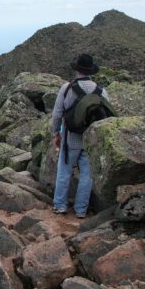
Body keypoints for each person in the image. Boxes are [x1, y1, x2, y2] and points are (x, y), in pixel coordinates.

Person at [50, 54, 108, 218]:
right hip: (91, 141)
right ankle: (81, 210)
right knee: (87, 176)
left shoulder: (67, 88)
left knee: (64, 172)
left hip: (70, 139)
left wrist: (56, 133)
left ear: (77, 70)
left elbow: (57, 114)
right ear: (91, 71)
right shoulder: (101, 91)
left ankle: (60, 206)